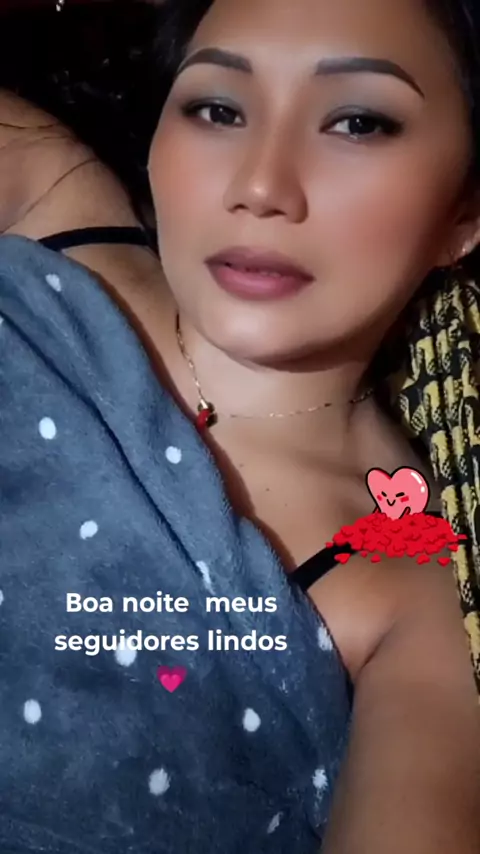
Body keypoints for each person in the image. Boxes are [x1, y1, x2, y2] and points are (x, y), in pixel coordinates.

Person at [0, 0, 479, 852]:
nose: (260, 186)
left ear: (465, 212)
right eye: (217, 109)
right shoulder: (56, 202)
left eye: (358, 122)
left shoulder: (412, 596)